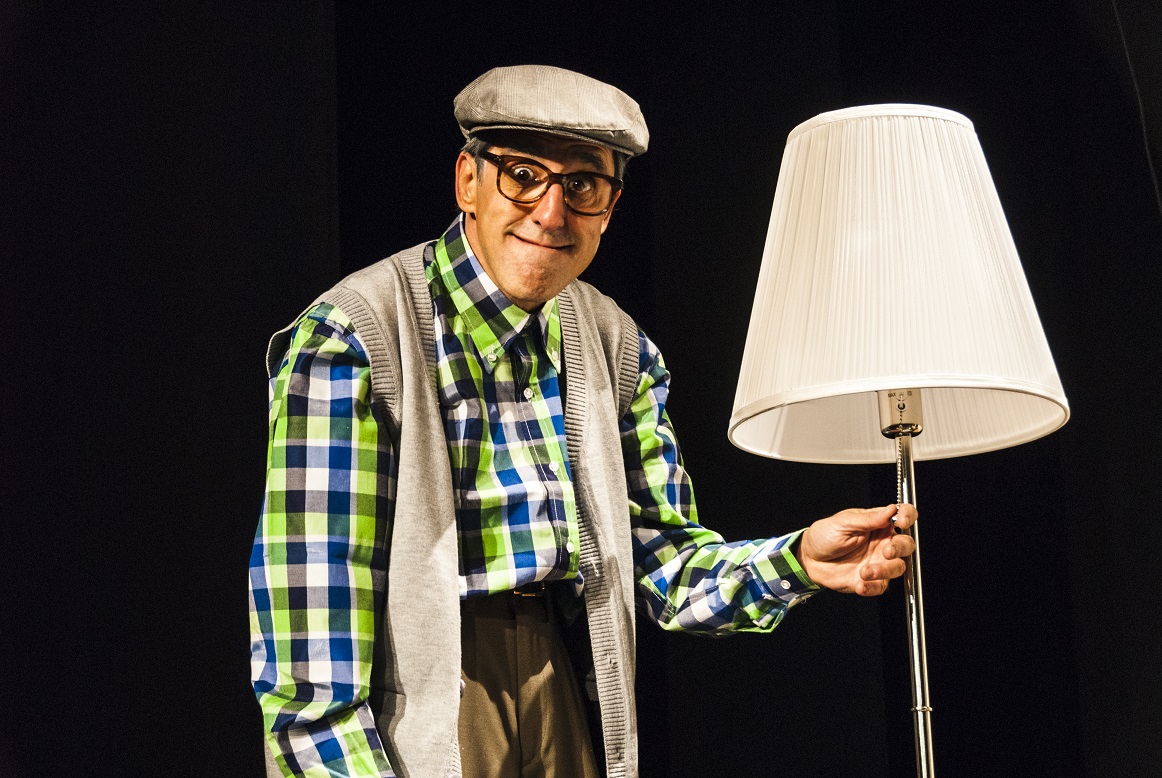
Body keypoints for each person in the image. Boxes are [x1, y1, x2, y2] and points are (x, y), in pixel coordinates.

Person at [248, 64, 917, 778]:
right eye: (523, 175)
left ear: (610, 206)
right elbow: (311, 626)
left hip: (561, 676)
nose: (550, 212)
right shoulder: (355, 336)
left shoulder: (616, 345)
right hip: (422, 698)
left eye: (582, 185)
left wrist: (799, 560)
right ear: (468, 181)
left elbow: (664, 564)